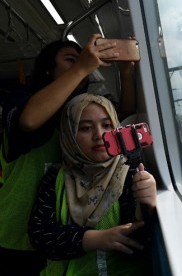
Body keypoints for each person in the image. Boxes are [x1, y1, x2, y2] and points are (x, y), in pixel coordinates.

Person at [0, 33, 136, 274]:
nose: (96, 133)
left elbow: (122, 113)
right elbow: (30, 121)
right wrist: (83, 66)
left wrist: (126, 74)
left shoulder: (76, 113)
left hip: (61, 234)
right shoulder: (22, 102)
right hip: (15, 240)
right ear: (47, 69)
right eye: (71, 60)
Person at [29, 93, 156, 275]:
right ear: (69, 135)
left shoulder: (131, 173)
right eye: (85, 128)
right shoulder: (55, 178)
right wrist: (93, 239)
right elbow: (39, 235)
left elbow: (140, 243)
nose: (99, 135)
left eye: (107, 125)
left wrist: (147, 206)